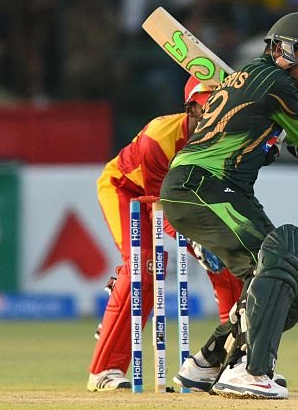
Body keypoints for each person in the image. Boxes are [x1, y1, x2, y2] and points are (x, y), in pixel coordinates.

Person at [161, 12, 298, 399]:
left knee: (287, 269)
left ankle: (207, 363)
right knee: (278, 261)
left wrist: (268, 142)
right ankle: (250, 371)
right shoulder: (274, 81)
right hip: (200, 185)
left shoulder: (250, 77)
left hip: (219, 188)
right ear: (281, 49)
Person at [86, 77, 245, 392]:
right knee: (144, 267)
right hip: (127, 190)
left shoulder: (224, 140)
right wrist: (197, 243)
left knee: (227, 260)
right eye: (206, 111)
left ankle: (235, 362)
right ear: (190, 109)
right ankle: (104, 371)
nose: (212, 120)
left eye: (220, 112)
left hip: (178, 201)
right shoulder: (160, 138)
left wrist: (212, 244)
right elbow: (162, 210)